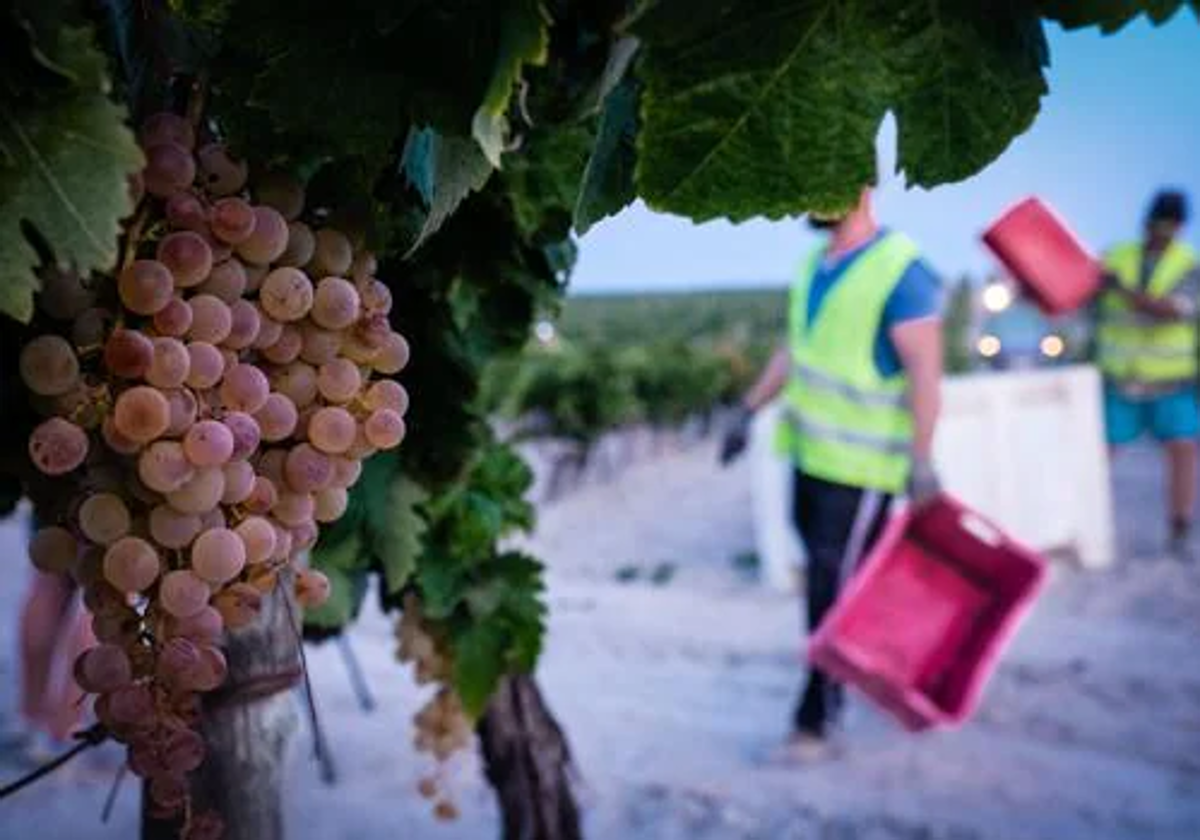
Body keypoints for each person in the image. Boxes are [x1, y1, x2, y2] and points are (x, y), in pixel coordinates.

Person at [720, 187, 944, 761]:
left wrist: (921, 459)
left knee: (831, 589)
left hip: (863, 470)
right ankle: (863, 675)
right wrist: (749, 409)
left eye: (823, 181)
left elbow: (925, 373)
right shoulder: (813, 266)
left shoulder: (902, 271)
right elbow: (797, 349)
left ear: (863, 189)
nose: (806, 194)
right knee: (835, 583)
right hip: (812, 459)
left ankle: (816, 719)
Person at [1094, 189, 1199, 560]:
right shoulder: (1116, 257)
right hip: (1120, 380)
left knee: (1183, 452)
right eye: (1156, 225)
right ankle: (1086, 526)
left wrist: (1120, 290)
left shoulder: (1190, 266)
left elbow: (1170, 311)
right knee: (1097, 455)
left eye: (1168, 227)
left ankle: (1180, 528)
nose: (1160, 233)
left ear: (1180, 228)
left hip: (1172, 382)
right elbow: (1078, 293)